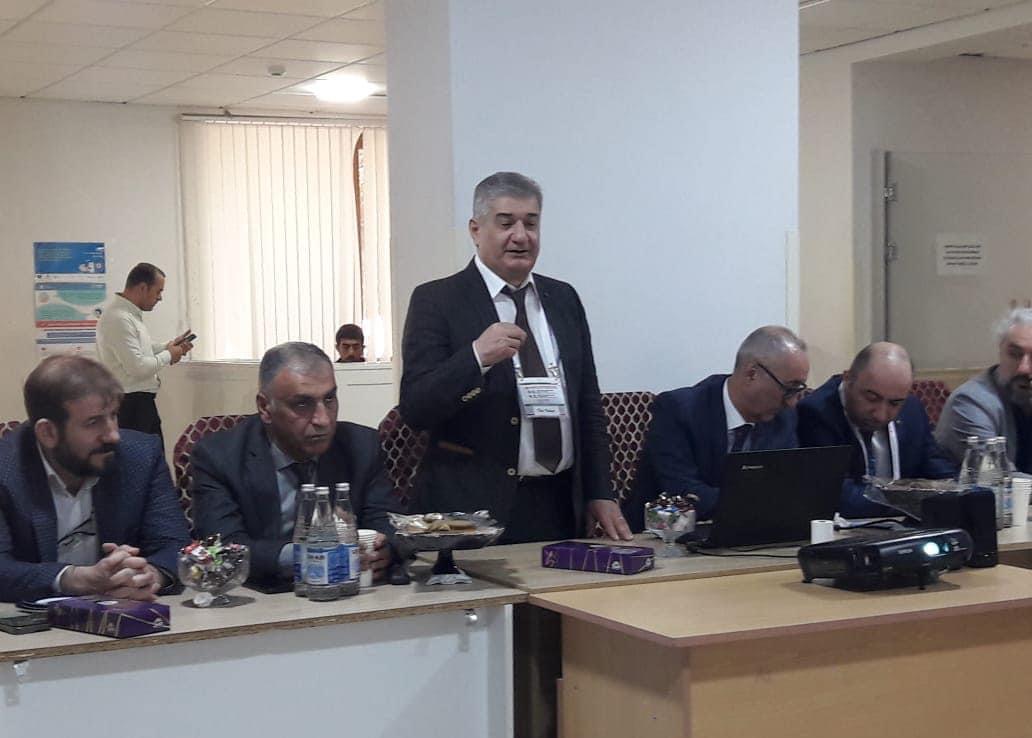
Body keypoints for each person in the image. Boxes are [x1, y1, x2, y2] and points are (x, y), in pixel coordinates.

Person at [399, 171, 629, 543]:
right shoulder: (437, 300)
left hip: (558, 504)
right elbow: (415, 407)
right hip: (472, 509)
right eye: (506, 223)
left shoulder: (563, 299)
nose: (521, 236)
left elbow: (588, 404)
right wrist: (475, 358)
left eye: (531, 223)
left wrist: (600, 491)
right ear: (476, 230)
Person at [191, 342, 398, 585]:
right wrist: (307, 557)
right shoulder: (219, 457)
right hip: (262, 595)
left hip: (349, 592)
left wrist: (384, 549)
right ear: (265, 407)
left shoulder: (361, 446)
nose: (323, 419)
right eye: (302, 404)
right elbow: (223, 548)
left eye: (329, 399)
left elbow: (389, 522)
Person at [0, 356, 189, 603]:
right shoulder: (7, 470)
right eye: (93, 422)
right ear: (48, 432)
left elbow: (174, 544)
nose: (113, 435)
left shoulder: (140, 456)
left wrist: (148, 576)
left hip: (123, 613)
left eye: (113, 415)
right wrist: (72, 579)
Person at [626, 326, 809, 528]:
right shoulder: (679, 410)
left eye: (799, 391)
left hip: (748, 534)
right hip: (665, 534)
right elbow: (683, 491)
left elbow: (786, 486)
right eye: (789, 389)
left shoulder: (784, 419)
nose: (792, 403)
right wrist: (761, 505)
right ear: (751, 374)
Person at [798, 342, 956, 517]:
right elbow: (836, 496)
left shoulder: (912, 409)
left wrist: (958, 490)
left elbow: (940, 473)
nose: (880, 415)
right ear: (848, 379)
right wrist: (909, 499)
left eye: (894, 403)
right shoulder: (816, 413)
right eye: (871, 398)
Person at [96, 262, 192, 441]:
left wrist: (169, 346)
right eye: (158, 291)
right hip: (131, 406)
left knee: (153, 455)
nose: (160, 298)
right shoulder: (119, 318)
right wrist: (169, 355)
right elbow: (138, 368)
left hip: (140, 404)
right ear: (142, 288)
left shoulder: (128, 315)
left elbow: (142, 350)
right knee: (143, 457)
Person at [936, 308, 1032, 473]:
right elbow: (997, 477)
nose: (1024, 368)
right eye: (1015, 354)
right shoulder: (970, 401)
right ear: (1000, 351)